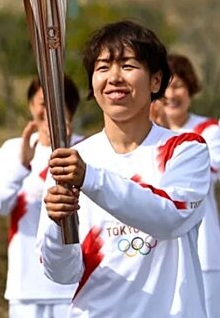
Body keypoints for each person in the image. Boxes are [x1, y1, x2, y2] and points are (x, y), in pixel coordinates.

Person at [39, 20, 211, 317]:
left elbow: (170, 217)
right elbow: (63, 273)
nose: (114, 77)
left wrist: (89, 178)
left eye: (128, 65)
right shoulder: (73, 159)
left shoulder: (185, 150)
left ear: (156, 81)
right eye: (103, 67)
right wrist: (58, 226)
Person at [0, 75, 81, 318]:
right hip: (26, 284)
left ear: (71, 109)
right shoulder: (12, 150)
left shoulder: (87, 150)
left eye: (58, 102)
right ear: (30, 106)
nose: (50, 111)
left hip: (75, 284)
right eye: (43, 103)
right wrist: (21, 166)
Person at [150, 53, 220, 316]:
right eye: (166, 86)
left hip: (204, 251)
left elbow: (203, 178)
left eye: (178, 85)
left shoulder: (209, 130)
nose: (171, 94)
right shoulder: (146, 136)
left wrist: (166, 130)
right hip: (160, 253)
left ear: (190, 88)